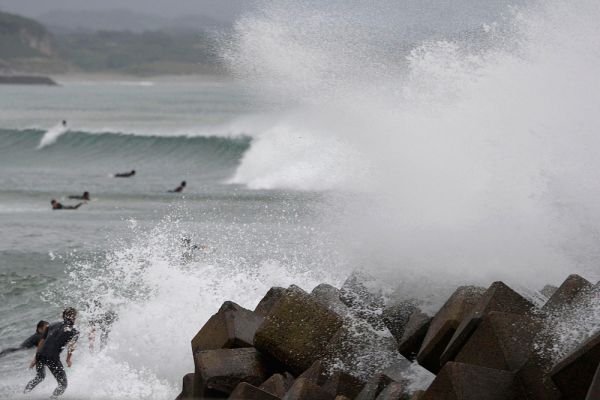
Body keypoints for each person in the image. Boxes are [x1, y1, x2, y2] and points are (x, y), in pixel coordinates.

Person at [24, 308, 79, 398]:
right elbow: (71, 346)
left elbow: (42, 341)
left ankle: (24, 394)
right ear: (74, 318)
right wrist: (68, 359)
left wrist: (35, 358)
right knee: (63, 385)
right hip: (52, 358)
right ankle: (52, 398)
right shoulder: (74, 331)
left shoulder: (51, 325)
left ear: (63, 316)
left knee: (40, 377)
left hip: (40, 355)